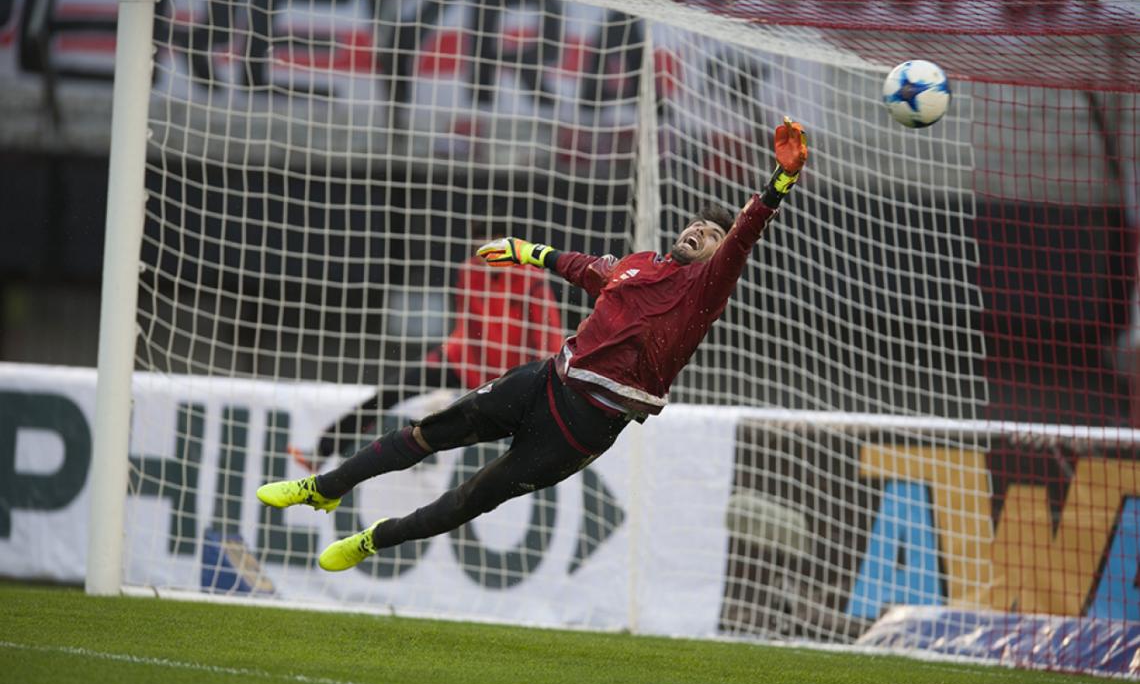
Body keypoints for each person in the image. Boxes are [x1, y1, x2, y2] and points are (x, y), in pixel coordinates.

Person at [257, 117, 808, 572]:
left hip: (582, 429)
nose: (699, 234)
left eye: (712, 236)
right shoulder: (639, 266)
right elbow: (583, 268)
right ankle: (324, 486)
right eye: (696, 226)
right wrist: (525, 249)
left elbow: (746, 233)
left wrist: (777, 184)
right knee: (427, 433)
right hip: (545, 382)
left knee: (472, 497)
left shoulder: (706, 289)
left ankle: (374, 539)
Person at [287, 232, 565, 471]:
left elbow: (548, 335)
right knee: (390, 393)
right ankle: (321, 452)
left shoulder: (532, 280)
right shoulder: (468, 272)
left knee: (473, 429)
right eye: (481, 251)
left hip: (509, 372)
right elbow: (470, 327)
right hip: (463, 359)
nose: (486, 259)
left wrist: (532, 379)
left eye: (493, 251)